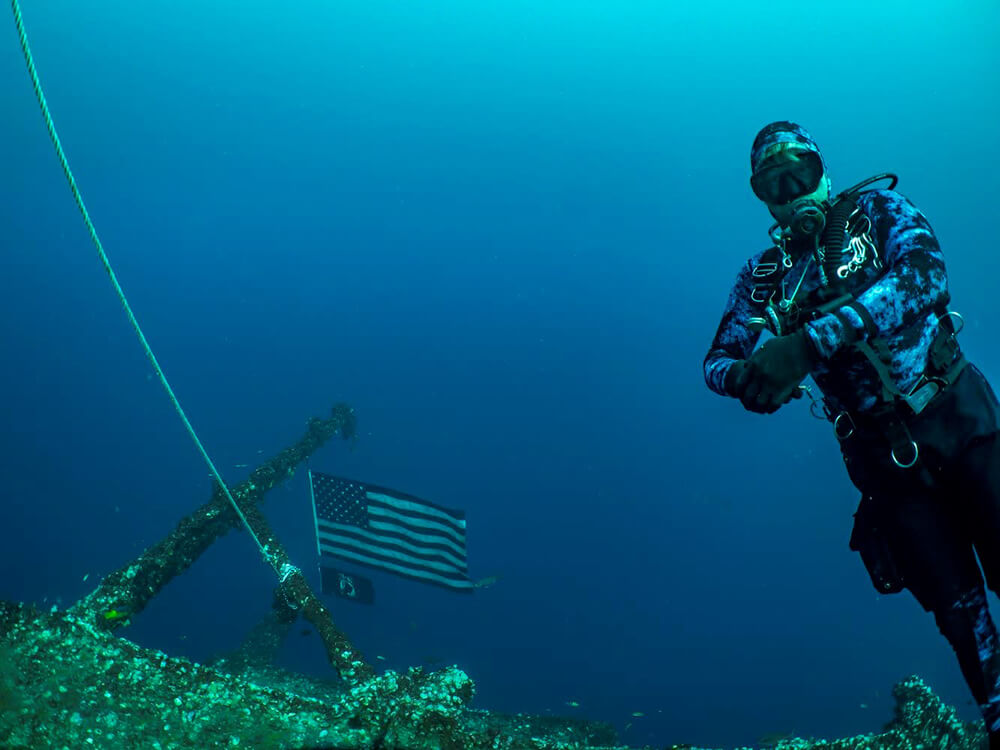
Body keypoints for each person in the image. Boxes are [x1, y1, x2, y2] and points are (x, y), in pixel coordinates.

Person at [703, 121, 1000, 746]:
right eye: (772, 184)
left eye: (799, 174)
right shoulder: (761, 279)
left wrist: (806, 345)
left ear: (823, 170)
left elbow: (925, 277)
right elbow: (715, 362)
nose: (790, 193)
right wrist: (751, 380)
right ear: (761, 197)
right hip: (881, 458)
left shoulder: (881, 210)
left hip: (958, 416)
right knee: (956, 602)